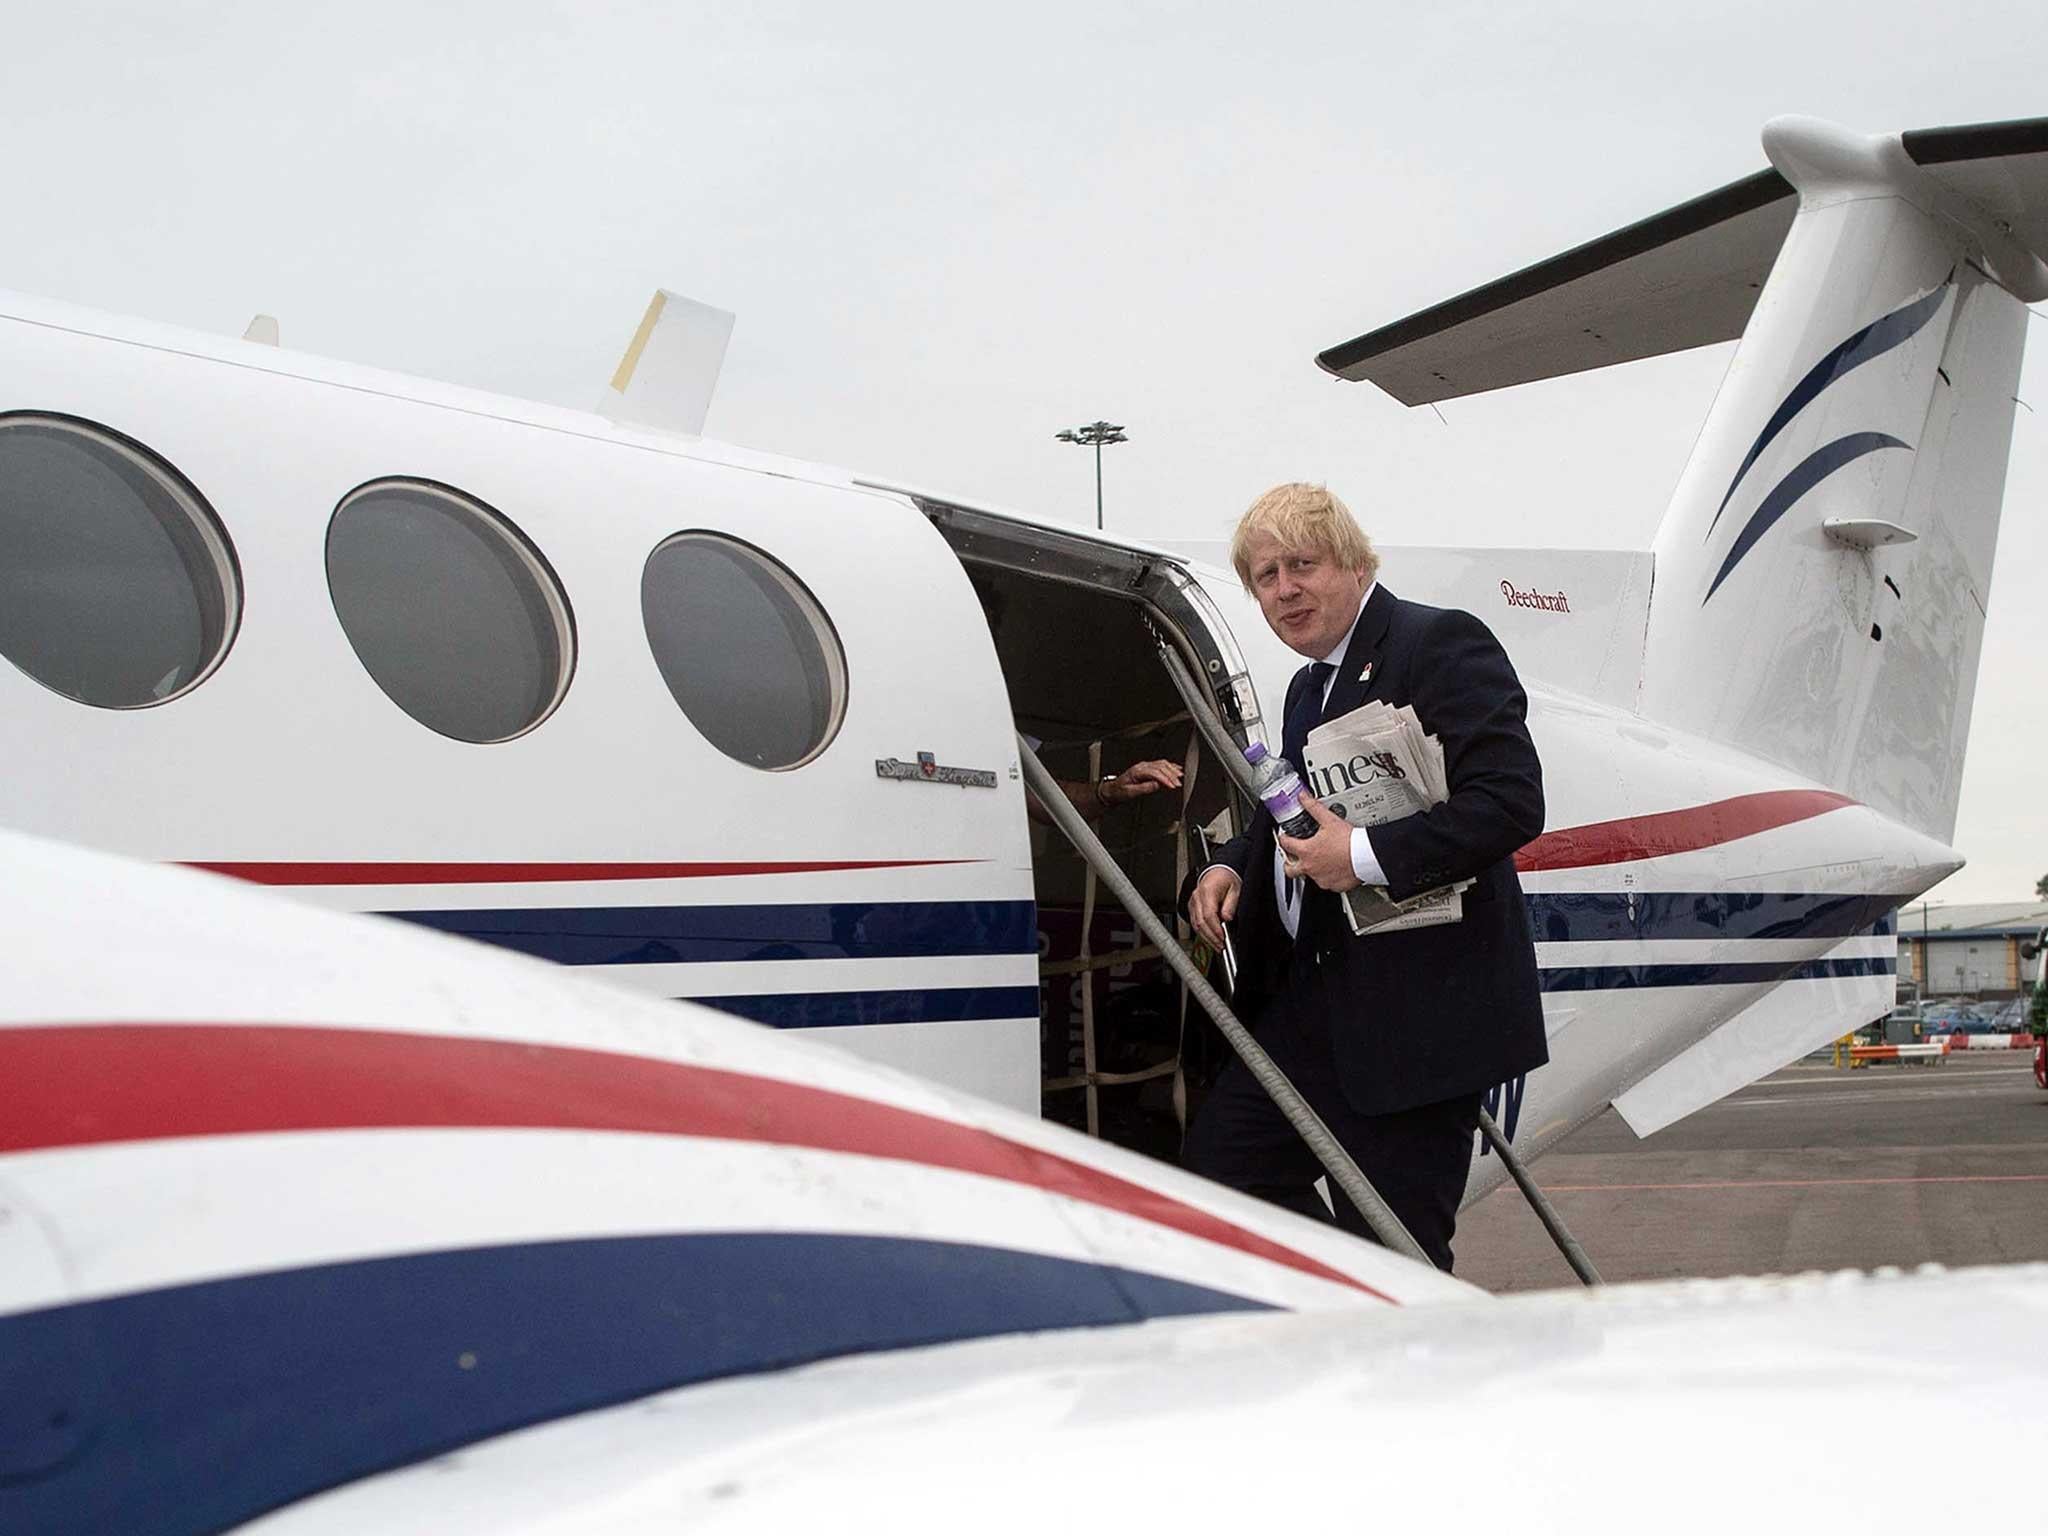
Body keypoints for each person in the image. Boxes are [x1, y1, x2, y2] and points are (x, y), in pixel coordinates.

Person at [1183, 482, 1547, 1271]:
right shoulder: (1308, 687)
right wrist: (1229, 865)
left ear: (1350, 562)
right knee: (1217, 1175)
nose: (1284, 591)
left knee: (1397, 1260)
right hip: (1317, 1019)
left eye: (1301, 565)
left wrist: (1359, 858)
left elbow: (1510, 804)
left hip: (1417, 1029)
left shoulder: (1439, 643)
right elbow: (1292, 812)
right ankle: (1339, 1304)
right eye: (1265, 577)